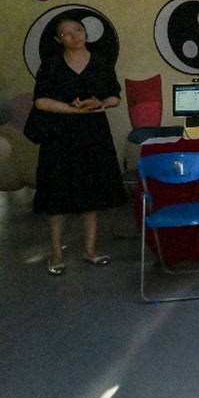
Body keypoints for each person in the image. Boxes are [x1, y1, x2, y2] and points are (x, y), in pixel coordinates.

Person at [32, 16, 126, 275]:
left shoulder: (101, 61)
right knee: (57, 195)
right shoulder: (51, 65)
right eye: (66, 33)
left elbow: (115, 97)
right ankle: (55, 253)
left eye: (78, 29)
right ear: (57, 39)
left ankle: (90, 249)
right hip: (59, 137)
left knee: (92, 192)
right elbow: (40, 101)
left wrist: (100, 103)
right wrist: (72, 110)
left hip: (94, 135)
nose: (75, 36)